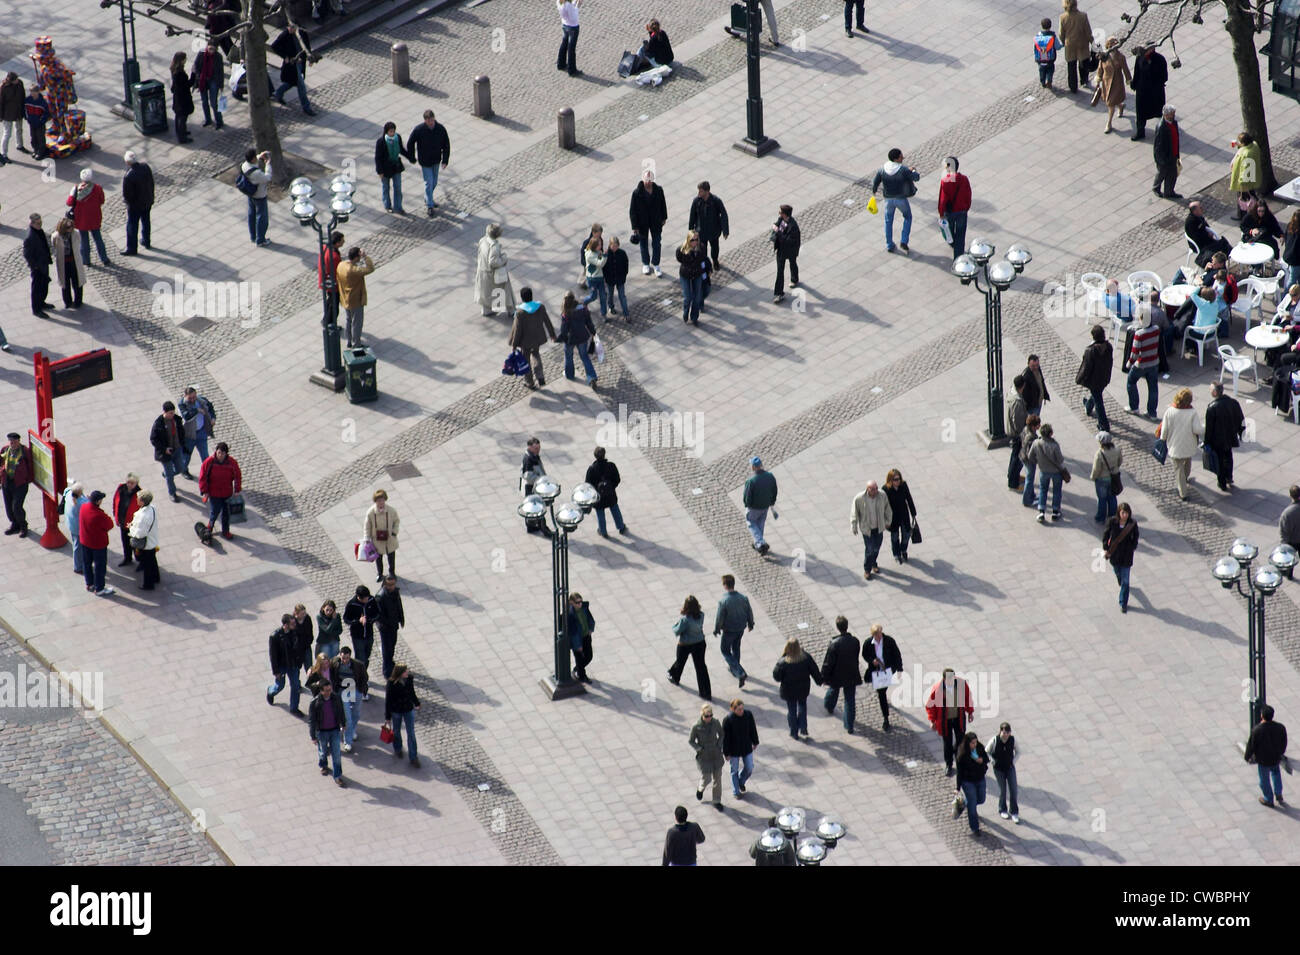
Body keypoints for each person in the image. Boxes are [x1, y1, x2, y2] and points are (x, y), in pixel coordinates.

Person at [871, 148, 921, 254]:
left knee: (888, 221)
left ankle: (889, 244)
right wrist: (912, 170)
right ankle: (904, 240)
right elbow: (916, 178)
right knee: (908, 217)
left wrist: (874, 192)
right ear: (896, 158)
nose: (903, 157)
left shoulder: (882, 169)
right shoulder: (903, 169)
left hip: (888, 200)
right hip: (901, 199)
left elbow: (875, 182)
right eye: (901, 156)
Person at [925, 668, 974, 775]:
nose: (952, 681)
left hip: (959, 718)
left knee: (960, 741)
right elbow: (930, 706)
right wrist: (932, 720)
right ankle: (949, 764)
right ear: (944, 679)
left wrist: (970, 712)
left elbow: (967, 698)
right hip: (944, 721)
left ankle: (960, 760)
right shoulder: (938, 689)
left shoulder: (961, 685)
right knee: (947, 743)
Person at [1159, 387, 1203, 501]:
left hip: (1175, 446)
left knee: (1178, 469)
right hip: (1189, 445)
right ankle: (1186, 477)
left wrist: (1163, 439)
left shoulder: (1170, 411)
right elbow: (1197, 429)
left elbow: (1164, 430)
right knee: (1187, 461)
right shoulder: (1192, 412)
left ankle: (1183, 492)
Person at [508, 287, 557, 390]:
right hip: (537, 338)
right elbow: (547, 321)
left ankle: (529, 382)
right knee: (536, 354)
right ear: (531, 296)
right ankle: (540, 375)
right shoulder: (540, 307)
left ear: (522, 298)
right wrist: (552, 334)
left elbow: (517, 330)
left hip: (525, 342)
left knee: (526, 361)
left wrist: (514, 344)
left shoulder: (520, 313)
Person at [773, 638, 821, 740]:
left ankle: (794, 732)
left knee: (792, 710)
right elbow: (814, 671)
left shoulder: (783, 662)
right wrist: (820, 681)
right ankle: (803, 727)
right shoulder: (806, 657)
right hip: (803, 689)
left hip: (789, 691)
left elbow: (776, 677)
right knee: (802, 706)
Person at [405, 110, 450, 216]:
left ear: (434, 118)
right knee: (429, 182)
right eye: (428, 120)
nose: (430, 122)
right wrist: (411, 157)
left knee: (434, 182)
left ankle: (427, 197)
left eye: (431, 119)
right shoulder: (419, 130)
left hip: (435, 160)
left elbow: (446, 145)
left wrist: (445, 160)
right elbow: (410, 143)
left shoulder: (440, 129)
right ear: (425, 120)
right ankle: (430, 205)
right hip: (425, 161)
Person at [821, 616, 861, 734]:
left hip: (837, 674)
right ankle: (849, 725)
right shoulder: (855, 641)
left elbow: (828, 662)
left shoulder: (834, 644)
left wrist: (824, 676)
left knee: (833, 690)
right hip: (851, 672)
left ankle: (829, 705)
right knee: (850, 699)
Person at [1204, 381, 1245, 492]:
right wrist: (1240, 432)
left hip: (1217, 440)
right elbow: (1241, 419)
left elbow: (1209, 428)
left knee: (1220, 461)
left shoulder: (1212, 408)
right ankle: (1229, 477)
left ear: (1215, 392)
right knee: (1228, 456)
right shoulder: (1233, 402)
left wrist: (1206, 442)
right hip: (1230, 436)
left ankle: (1222, 482)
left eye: (1211, 389)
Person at [669, 595, 712, 700]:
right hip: (700, 642)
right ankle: (705, 691)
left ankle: (674, 676)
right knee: (701, 667)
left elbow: (676, 631)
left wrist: (676, 624)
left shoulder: (685, 620)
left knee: (680, 661)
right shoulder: (701, 615)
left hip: (686, 644)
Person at [1245, 705, 1289, 807]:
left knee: (1264, 781)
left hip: (1263, 760)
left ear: (1262, 716)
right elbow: (1284, 742)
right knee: (1276, 773)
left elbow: (1251, 745)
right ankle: (1278, 793)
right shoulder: (1280, 727)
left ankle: (1268, 799)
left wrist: (1247, 757)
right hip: (1275, 758)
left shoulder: (1257, 730)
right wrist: (1280, 753)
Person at [713, 575, 753, 687]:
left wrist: (717, 629)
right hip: (740, 628)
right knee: (736, 647)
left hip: (729, 630)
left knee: (725, 650)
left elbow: (719, 618)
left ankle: (740, 672)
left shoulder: (723, 601)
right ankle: (735, 669)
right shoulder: (743, 598)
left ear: (725, 585)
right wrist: (750, 623)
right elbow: (749, 611)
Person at [863, 623, 903, 731]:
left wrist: (899, 669)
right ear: (873, 635)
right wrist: (872, 661)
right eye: (877, 635)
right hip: (876, 672)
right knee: (881, 693)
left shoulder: (889, 641)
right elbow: (864, 654)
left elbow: (897, 654)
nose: (879, 636)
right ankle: (886, 718)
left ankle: (885, 713)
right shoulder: (868, 643)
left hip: (888, 671)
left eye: (880, 633)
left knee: (882, 693)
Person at [198, 442, 241, 540]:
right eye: (219, 452)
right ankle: (210, 527)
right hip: (214, 493)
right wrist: (204, 491)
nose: (220, 455)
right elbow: (203, 476)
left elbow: (237, 476)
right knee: (215, 511)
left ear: (226, 454)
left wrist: (237, 489)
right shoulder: (209, 462)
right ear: (216, 452)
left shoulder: (232, 463)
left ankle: (225, 531)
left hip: (227, 493)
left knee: (226, 513)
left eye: (222, 453)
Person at [1123, 308, 1161, 419]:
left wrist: (1129, 364)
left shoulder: (1139, 334)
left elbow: (1134, 353)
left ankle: (1134, 407)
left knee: (1131, 382)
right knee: (1153, 387)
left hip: (1142, 364)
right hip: (1153, 362)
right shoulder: (1156, 329)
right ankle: (1152, 413)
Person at [629, 170, 668, 276]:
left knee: (657, 243)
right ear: (643, 179)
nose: (648, 182)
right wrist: (635, 226)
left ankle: (656, 264)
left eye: (650, 180)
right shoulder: (637, 193)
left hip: (655, 221)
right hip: (642, 223)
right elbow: (633, 211)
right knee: (643, 244)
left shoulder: (658, 190)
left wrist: (664, 217)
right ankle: (645, 263)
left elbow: (663, 204)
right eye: (646, 180)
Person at [271, 23, 316, 115]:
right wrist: (285, 56)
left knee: (292, 82)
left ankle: (278, 93)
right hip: (292, 65)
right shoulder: (285, 34)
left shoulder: (302, 33)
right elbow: (274, 46)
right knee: (301, 85)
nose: (289, 29)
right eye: (289, 27)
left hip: (300, 63)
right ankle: (306, 107)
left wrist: (310, 57)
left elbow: (307, 46)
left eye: (292, 27)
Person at [67, 169, 109, 267]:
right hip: (94, 217)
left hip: (81, 219)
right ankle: (104, 259)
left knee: (84, 240)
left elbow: (69, 203)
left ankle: (86, 260)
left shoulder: (76, 189)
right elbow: (102, 200)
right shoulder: (98, 188)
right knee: (98, 239)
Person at [851, 479, 892, 579]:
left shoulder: (882, 495)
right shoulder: (860, 498)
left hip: (879, 528)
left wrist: (888, 522)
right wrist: (854, 525)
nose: (875, 491)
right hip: (867, 529)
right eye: (873, 489)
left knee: (876, 548)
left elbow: (888, 509)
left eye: (876, 488)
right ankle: (867, 569)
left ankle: (874, 563)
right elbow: (854, 512)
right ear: (868, 489)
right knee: (869, 549)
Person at [1102, 502, 1139, 612]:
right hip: (1115, 553)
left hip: (1126, 555)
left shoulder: (1132, 524)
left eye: (1127, 513)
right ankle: (1119, 578)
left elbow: (1136, 537)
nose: (1125, 515)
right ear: (1119, 512)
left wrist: (1133, 546)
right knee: (1117, 570)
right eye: (1123, 513)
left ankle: (1123, 603)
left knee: (1126, 582)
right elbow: (1106, 534)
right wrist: (1105, 547)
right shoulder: (1112, 521)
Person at [1076, 325, 1114, 432]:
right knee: (1096, 395)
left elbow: (1086, 368)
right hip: (1104, 378)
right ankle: (1088, 406)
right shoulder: (1109, 347)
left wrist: (1079, 379)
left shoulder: (1090, 351)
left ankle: (1104, 425)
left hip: (1094, 380)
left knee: (1099, 402)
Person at [308, 679, 346, 786]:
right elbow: (312, 720)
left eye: (330, 690)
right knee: (323, 751)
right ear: (321, 691)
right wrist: (313, 736)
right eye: (326, 690)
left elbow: (341, 711)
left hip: (334, 730)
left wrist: (343, 723)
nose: (329, 692)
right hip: (322, 731)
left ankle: (337, 776)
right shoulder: (315, 703)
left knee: (336, 754)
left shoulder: (336, 698)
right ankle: (323, 764)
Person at [336, 246, 374, 349]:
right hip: (355, 300)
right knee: (357, 323)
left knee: (349, 320)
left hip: (345, 298)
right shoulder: (354, 270)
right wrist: (365, 257)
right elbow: (370, 268)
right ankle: (356, 343)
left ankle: (349, 340)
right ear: (357, 257)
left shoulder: (341, 265)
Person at [558, 291, 598, 388]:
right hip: (582, 336)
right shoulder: (583, 308)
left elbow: (564, 330)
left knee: (568, 356)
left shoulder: (565, 312)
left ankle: (570, 374)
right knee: (584, 356)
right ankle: (591, 377)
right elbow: (589, 322)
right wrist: (593, 332)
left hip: (570, 339)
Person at [384, 662, 421, 768]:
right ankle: (398, 748)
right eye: (405, 671)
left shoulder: (409, 679)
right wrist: (387, 717)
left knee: (411, 733)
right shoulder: (391, 683)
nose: (407, 672)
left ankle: (413, 757)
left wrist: (416, 703)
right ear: (400, 673)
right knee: (396, 731)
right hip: (396, 710)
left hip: (408, 709)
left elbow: (411, 692)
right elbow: (388, 701)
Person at [584, 446, 627, 537]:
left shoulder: (591, 469)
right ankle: (621, 527)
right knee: (615, 510)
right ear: (604, 454)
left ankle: (603, 531)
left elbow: (588, 484)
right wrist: (612, 487)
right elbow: (617, 479)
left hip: (598, 496)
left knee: (600, 514)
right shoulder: (611, 466)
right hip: (610, 494)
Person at [331, 645, 367, 753]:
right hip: (343, 691)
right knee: (348, 717)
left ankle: (351, 730)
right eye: (342, 658)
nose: (344, 660)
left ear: (350, 656)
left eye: (346, 658)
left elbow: (364, 677)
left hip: (355, 689)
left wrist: (361, 689)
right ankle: (348, 741)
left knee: (356, 713)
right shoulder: (335, 662)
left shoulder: (358, 665)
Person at [689, 703, 726, 809]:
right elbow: (691, 741)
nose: (709, 718)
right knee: (707, 778)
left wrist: (719, 745)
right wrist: (699, 749)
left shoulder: (715, 722)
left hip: (716, 754)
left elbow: (721, 734)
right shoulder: (696, 726)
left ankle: (717, 800)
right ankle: (700, 788)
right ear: (702, 715)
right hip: (704, 756)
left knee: (717, 779)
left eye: (711, 715)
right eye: (706, 716)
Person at [1029, 422, 1067, 523]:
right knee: (1057, 491)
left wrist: (1039, 462)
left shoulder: (1036, 443)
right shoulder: (1054, 445)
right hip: (1056, 472)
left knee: (1043, 489)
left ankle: (1041, 511)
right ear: (1050, 434)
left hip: (1043, 471)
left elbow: (1030, 456)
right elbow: (1060, 460)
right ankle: (1055, 511)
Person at [954, 731, 990, 836]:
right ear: (967, 743)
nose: (974, 745)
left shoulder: (979, 748)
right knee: (972, 806)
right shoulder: (962, 754)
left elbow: (986, 758)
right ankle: (975, 827)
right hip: (968, 781)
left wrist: (981, 760)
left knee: (981, 799)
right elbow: (959, 772)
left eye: (975, 742)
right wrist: (957, 787)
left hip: (980, 778)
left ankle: (967, 802)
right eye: (972, 743)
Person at [149, 401, 186, 503]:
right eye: (170, 413)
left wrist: (182, 443)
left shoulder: (177, 420)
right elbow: (153, 439)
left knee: (180, 468)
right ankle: (172, 492)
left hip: (177, 449)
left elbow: (181, 432)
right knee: (170, 475)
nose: (172, 415)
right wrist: (164, 449)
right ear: (164, 412)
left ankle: (166, 474)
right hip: (165, 453)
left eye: (173, 413)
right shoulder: (159, 423)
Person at [475, 224, 515, 317]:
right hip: (492, 274)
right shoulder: (494, 246)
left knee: (485, 292)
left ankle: (486, 310)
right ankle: (512, 310)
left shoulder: (483, 240)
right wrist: (504, 259)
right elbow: (493, 262)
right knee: (505, 289)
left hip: (482, 271)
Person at [1130, 42, 1168, 141]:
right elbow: (1137, 72)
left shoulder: (1160, 59)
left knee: (1159, 111)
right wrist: (1134, 84)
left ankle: (1162, 131)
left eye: (1147, 49)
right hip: (1142, 91)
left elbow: (1164, 76)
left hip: (1155, 92)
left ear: (1152, 49)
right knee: (1140, 113)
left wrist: (1156, 85)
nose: (1145, 51)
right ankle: (1140, 132)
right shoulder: (1140, 57)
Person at [1093, 37, 1131, 135]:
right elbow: (1100, 68)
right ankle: (1121, 106)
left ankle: (1109, 123)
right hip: (1106, 83)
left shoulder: (1121, 57)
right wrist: (1098, 79)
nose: (1114, 46)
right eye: (1112, 44)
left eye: (1115, 44)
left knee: (1110, 103)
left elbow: (1126, 69)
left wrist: (1129, 80)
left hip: (1116, 83)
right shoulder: (1104, 56)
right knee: (1111, 101)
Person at [722, 698, 759, 798]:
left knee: (749, 767)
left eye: (742, 708)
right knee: (734, 770)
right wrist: (726, 753)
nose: (741, 711)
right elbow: (725, 738)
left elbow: (752, 728)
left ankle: (741, 781)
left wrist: (755, 741)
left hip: (746, 746)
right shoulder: (728, 720)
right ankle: (736, 791)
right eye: (739, 709)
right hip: (733, 750)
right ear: (733, 710)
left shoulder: (748, 715)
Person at [688, 181, 729, 270]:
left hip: (713, 230)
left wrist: (725, 230)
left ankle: (715, 260)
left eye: (701, 191)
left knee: (715, 248)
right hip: (701, 232)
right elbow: (692, 216)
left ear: (707, 191)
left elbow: (724, 215)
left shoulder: (716, 201)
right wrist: (691, 231)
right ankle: (705, 264)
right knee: (702, 250)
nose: (699, 193)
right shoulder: (696, 201)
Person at [937, 156, 971, 260]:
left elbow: (942, 199)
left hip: (949, 211)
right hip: (962, 210)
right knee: (961, 234)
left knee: (949, 230)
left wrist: (941, 213)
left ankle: (952, 242)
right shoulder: (964, 179)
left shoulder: (945, 181)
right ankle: (958, 258)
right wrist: (966, 207)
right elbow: (968, 194)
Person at [267, 614, 302, 715]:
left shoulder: (294, 632)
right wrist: (276, 671)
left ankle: (294, 707)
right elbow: (273, 656)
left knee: (295, 685)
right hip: (282, 665)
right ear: (286, 625)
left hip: (293, 664)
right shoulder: (275, 636)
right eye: (292, 623)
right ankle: (271, 691)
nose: (295, 625)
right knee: (280, 685)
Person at [373, 574, 406, 679]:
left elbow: (398, 606)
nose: (392, 586)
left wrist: (401, 619)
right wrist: (385, 624)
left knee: (392, 645)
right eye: (390, 584)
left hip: (393, 624)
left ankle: (390, 663)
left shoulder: (395, 592)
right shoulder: (380, 596)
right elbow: (378, 615)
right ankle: (387, 672)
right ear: (385, 585)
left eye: (393, 584)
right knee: (387, 648)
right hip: (386, 627)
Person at [179, 386, 217, 477]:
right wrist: (197, 410)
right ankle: (184, 470)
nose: (192, 399)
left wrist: (213, 418)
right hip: (189, 434)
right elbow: (186, 416)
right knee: (186, 455)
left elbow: (210, 408)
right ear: (185, 396)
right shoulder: (182, 404)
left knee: (205, 455)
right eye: (190, 398)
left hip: (201, 432)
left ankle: (208, 472)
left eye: (194, 397)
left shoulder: (201, 400)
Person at [122, 151, 155, 256]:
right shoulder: (145, 167)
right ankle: (146, 240)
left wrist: (128, 203)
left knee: (132, 225)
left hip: (135, 205)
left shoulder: (129, 176)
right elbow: (151, 182)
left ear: (127, 162)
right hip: (147, 200)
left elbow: (127, 195)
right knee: (146, 221)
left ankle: (132, 248)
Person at [743, 456, 777, 555]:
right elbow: (774, 490)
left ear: (753, 467)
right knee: (760, 524)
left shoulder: (751, 481)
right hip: (765, 506)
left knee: (751, 522)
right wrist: (772, 502)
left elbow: (747, 497)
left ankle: (761, 543)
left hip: (754, 507)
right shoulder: (770, 476)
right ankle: (758, 545)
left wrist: (747, 505)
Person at [2, 433, 34, 538]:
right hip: (7, 482)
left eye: (14, 442)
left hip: (20, 484)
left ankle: (23, 526)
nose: (12, 444)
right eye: (11, 442)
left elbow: (30, 465)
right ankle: (14, 524)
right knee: (8, 507)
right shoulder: (5, 450)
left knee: (16, 507)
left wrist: (28, 479)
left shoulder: (25, 451)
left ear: (19, 441)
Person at [986, 722, 1020, 823]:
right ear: (1000, 731)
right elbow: (986, 751)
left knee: (1013, 789)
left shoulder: (1012, 740)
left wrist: (1013, 761)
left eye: (1007, 732)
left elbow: (1018, 751)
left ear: (1010, 733)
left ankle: (1014, 811)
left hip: (1009, 768)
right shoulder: (995, 740)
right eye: (1003, 732)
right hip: (999, 769)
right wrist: (992, 761)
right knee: (1003, 790)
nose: (1004, 734)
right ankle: (1002, 809)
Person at [883, 469, 917, 564]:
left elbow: (909, 499)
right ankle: (896, 554)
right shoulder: (886, 489)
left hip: (904, 515)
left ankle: (903, 550)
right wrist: (885, 520)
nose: (898, 481)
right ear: (890, 480)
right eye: (895, 479)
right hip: (893, 518)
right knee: (895, 537)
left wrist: (913, 513)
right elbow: (883, 506)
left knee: (906, 535)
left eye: (899, 479)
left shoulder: (903, 485)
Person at [364, 489, 399, 582]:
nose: (381, 502)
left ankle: (392, 572)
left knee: (391, 557)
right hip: (377, 540)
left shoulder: (391, 511)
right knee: (378, 559)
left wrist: (394, 532)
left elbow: (396, 521)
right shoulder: (371, 512)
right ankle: (380, 574)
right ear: (375, 501)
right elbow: (367, 526)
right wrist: (367, 538)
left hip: (389, 539)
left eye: (382, 500)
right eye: (379, 500)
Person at [1059, 0, 1094, 92]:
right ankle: (1084, 80)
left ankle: (1073, 86)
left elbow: (1061, 33)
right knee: (1083, 63)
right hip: (1082, 43)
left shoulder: (1063, 17)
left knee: (1071, 66)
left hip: (1070, 44)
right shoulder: (1083, 16)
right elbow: (1088, 32)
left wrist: (1064, 42)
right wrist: (1093, 43)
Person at [343, 585, 379, 674]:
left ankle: (361, 672)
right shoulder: (352, 604)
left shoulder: (371, 600)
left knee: (366, 656)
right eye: (365, 598)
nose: (367, 599)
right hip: (357, 636)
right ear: (359, 597)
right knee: (360, 658)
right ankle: (360, 676)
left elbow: (377, 613)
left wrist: (370, 620)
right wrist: (357, 621)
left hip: (369, 634)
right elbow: (346, 619)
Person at [520, 437, 552, 537]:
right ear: (529, 447)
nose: (538, 450)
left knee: (532, 508)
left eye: (539, 448)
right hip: (531, 488)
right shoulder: (528, 459)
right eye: (536, 448)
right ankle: (544, 529)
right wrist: (540, 479)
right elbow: (527, 476)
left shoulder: (533, 456)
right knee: (539, 508)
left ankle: (531, 526)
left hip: (533, 487)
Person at [240, 149, 272, 247]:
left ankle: (253, 236)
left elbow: (253, 163)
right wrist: (268, 164)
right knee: (262, 218)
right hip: (260, 196)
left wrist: (260, 156)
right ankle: (261, 240)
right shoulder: (257, 173)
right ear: (253, 158)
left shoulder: (244, 165)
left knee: (252, 215)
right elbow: (267, 177)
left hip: (251, 194)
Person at [23, 213, 52, 318]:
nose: (40, 225)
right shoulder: (30, 237)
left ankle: (42, 302)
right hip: (37, 267)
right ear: (32, 223)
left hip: (43, 263)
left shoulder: (39, 230)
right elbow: (27, 254)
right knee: (37, 288)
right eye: (38, 223)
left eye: (41, 222)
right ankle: (36, 309)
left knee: (44, 285)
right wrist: (34, 266)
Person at [51, 218, 85, 309]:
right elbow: (54, 245)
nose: (71, 228)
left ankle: (78, 301)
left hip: (74, 262)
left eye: (71, 226)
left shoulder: (76, 233)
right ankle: (67, 302)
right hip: (64, 263)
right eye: (68, 227)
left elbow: (78, 243)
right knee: (65, 284)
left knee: (77, 282)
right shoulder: (56, 236)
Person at [1186, 200, 1232, 266]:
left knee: (1223, 244)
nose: (1202, 209)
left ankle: (1225, 260)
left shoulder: (1199, 217)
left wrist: (1209, 233)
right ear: (1195, 211)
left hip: (1207, 240)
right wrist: (1207, 235)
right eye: (1200, 208)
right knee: (1222, 244)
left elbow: (1206, 226)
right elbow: (1197, 237)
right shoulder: (1191, 222)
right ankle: (1223, 261)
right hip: (1200, 245)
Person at [770, 204, 800, 303]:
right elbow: (777, 223)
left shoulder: (793, 227)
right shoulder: (781, 219)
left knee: (792, 263)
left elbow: (788, 241)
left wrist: (777, 232)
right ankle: (779, 293)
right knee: (780, 271)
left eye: (780, 213)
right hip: (781, 250)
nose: (779, 214)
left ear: (785, 214)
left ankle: (794, 279)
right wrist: (775, 228)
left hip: (790, 250)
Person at [374, 121, 406, 214]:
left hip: (396, 167)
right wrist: (379, 171)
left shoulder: (397, 138)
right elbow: (378, 157)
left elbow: (401, 149)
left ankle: (398, 207)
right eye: (390, 131)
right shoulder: (381, 142)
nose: (392, 133)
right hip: (385, 168)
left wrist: (410, 156)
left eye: (393, 131)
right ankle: (387, 205)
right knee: (386, 188)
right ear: (386, 131)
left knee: (398, 187)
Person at [191, 41, 224, 129]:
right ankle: (208, 120)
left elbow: (221, 71)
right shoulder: (201, 54)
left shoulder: (218, 57)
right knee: (204, 102)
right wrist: (198, 76)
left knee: (213, 103)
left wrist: (221, 85)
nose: (211, 51)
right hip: (203, 80)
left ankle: (219, 121)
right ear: (207, 47)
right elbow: (196, 66)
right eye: (209, 49)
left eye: (213, 49)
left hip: (213, 80)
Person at [1090, 431, 1122, 523]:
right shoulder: (1117, 450)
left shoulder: (1100, 454)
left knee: (1102, 499)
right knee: (1112, 497)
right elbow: (1120, 462)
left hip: (1102, 479)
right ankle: (1112, 515)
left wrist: (1093, 477)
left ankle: (1101, 517)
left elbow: (1096, 469)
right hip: (1114, 477)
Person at [676, 230, 706, 325]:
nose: (694, 242)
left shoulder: (701, 248)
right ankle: (686, 312)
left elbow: (703, 258)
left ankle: (694, 317)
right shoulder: (682, 249)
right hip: (685, 274)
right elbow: (679, 258)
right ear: (688, 240)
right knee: (687, 297)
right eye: (692, 240)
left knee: (696, 298)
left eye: (696, 239)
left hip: (697, 274)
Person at [1229, 132, 1261, 219]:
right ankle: (1256, 211)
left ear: (1243, 143)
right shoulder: (1254, 145)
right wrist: (1238, 145)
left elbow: (1245, 172)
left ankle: (1244, 216)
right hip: (1252, 178)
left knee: (1244, 199)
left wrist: (1242, 185)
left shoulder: (1247, 155)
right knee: (1251, 197)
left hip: (1245, 182)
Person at [1151, 105, 1181, 198]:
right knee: (1162, 173)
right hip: (1165, 157)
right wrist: (1162, 160)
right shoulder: (1161, 127)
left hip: (1174, 154)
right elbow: (1158, 146)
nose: (1174, 115)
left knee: (1173, 174)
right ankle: (1156, 188)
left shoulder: (1174, 123)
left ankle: (1169, 192)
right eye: (1172, 114)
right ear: (1166, 115)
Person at [111, 474, 141, 567]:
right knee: (125, 542)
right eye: (128, 482)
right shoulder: (120, 488)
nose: (130, 484)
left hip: (133, 525)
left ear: (136, 483)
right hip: (123, 522)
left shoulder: (139, 494)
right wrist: (115, 514)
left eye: (132, 483)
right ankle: (127, 558)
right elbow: (115, 501)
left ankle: (140, 561)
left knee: (136, 545)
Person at [566, 591, 594, 684]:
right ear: (572, 603)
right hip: (578, 640)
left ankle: (577, 669)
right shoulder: (571, 615)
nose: (580, 604)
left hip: (586, 636)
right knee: (579, 658)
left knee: (589, 656)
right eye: (577, 602)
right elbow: (573, 632)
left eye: (581, 602)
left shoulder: (584, 608)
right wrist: (578, 645)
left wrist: (590, 628)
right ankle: (582, 676)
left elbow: (590, 618)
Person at [62, 481, 87, 575]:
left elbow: (66, 490)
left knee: (76, 544)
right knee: (78, 547)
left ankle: (79, 564)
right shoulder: (81, 502)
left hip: (70, 523)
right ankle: (78, 567)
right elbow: (90, 503)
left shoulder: (68, 494)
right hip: (78, 528)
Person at [581, 233, 608, 320]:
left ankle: (603, 314)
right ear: (595, 246)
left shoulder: (598, 251)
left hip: (599, 278)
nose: (601, 246)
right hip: (592, 279)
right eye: (599, 245)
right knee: (593, 296)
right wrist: (604, 255)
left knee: (603, 296)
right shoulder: (589, 255)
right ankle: (584, 302)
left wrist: (601, 255)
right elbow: (599, 264)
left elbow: (600, 260)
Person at [0, 72, 25, 163]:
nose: (17, 80)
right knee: (7, 134)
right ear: (11, 80)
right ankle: (4, 154)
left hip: (18, 111)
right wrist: (1, 116)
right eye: (15, 80)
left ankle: (20, 145)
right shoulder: (3, 88)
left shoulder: (20, 83)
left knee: (19, 129)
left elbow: (22, 96)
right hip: (8, 114)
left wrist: (23, 110)